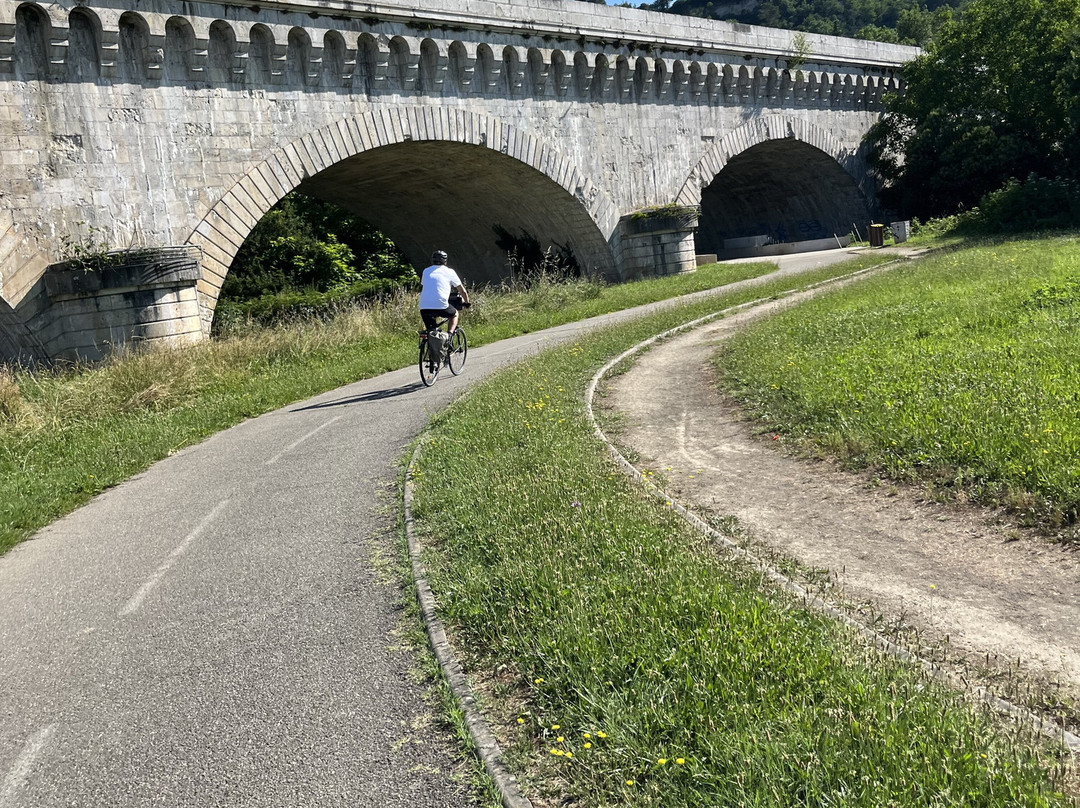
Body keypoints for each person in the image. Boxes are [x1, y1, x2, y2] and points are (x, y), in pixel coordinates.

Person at [419, 250, 469, 335]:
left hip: (424, 307)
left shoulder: (426, 271)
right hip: (440, 304)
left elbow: (428, 286)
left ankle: (430, 346)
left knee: (431, 331)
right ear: (445, 261)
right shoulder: (449, 271)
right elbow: (462, 291)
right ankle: (449, 335)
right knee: (454, 314)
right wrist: (467, 303)